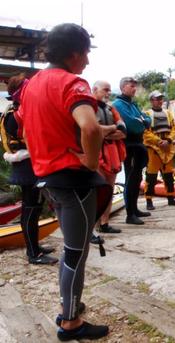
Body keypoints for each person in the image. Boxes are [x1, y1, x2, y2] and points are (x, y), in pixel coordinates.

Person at [20, 23, 113, 341]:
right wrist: (89, 160)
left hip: (47, 176)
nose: (87, 61)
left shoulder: (33, 85)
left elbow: (27, 132)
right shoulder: (73, 82)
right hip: (74, 179)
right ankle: (70, 322)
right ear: (75, 54)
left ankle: (71, 304)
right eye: (86, 54)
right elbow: (87, 127)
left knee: (72, 249)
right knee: (76, 251)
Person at [0, 74, 58, 265]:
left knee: (34, 207)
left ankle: (35, 247)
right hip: (27, 164)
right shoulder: (18, 113)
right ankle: (33, 253)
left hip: (28, 163)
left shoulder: (17, 111)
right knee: (31, 209)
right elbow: (33, 136)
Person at [112, 77, 152, 225]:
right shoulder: (118, 104)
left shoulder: (132, 104)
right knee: (131, 179)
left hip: (138, 145)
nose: (134, 88)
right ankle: (130, 214)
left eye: (135, 86)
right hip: (129, 146)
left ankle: (134, 209)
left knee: (137, 178)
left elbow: (147, 119)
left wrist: (143, 121)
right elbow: (131, 125)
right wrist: (142, 121)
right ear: (123, 88)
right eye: (131, 86)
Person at [92, 80, 126, 233]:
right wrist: (112, 128)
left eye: (109, 90)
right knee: (95, 190)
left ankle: (104, 223)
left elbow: (123, 130)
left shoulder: (111, 109)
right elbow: (93, 130)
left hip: (111, 153)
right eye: (105, 90)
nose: (108, 93)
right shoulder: (87, 107)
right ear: (95, 90)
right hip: (95, 152)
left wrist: (106, 132)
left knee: (109, 188)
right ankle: (92, 226)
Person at [143, 90, 175, 209]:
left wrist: (168, 140)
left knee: (169, 174)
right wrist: (158, 142)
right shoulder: (146, 114)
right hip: (154, 148)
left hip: (167, 148)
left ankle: (171, 198)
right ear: (151, 101)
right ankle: (149, 201)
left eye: (161, 99)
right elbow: (145, 132)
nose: (160, 101)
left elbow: (174, 128)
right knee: (151, 175)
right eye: (157, 99)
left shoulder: (168, 113)